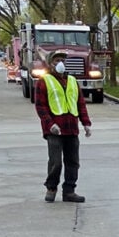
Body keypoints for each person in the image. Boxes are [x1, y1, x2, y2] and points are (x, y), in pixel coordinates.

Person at [35, 50, 92, 203]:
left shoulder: (72, 81)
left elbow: (80, 104)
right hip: (54, 129)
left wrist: (86, 123)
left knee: (73, 161)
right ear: (49, 63)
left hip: (71, 128)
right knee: (56, 162)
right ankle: (51, 188)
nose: (60, 63)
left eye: (62, 60)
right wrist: (50, 124)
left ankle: (69, 191)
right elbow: (41, 107)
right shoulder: (43, 81)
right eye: (56, 60)